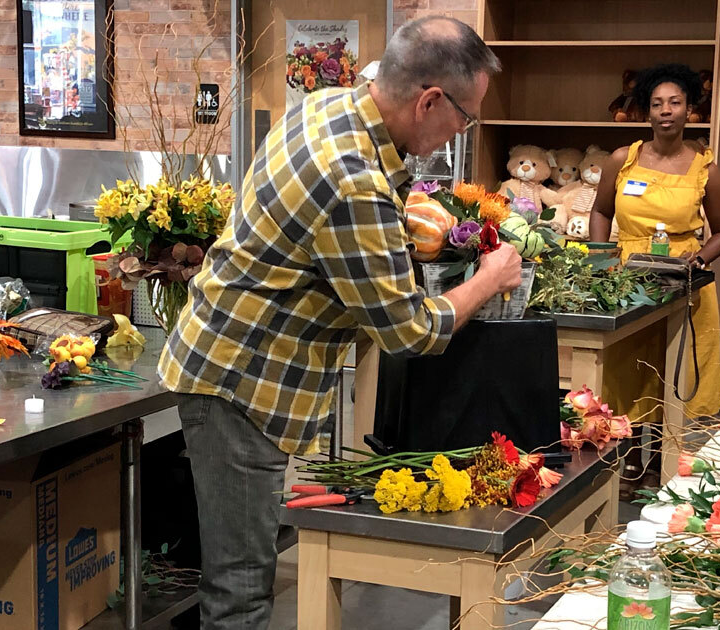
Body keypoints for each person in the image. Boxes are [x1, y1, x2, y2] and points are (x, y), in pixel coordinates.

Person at [157, 16, 522, 630]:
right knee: (240, 592)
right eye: (465, 117)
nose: (462, 130)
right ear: (429, 100)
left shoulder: (330, 106)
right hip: (240, 383)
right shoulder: (353, 180)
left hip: (233, 359)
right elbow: (409, 332)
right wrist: (488, 279)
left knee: (244, 577)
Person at [588, 63, 720, 439]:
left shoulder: (707, 169)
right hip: (625, 278)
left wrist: (699, 259)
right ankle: (626, 455)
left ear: (689, 110)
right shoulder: (623, 159)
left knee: (674, 366)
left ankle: (664, 456)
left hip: (681, 280)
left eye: (674, 103)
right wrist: (600, 261)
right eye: (657, 104)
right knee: (628, 366)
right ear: (646, 111)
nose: (666, 111)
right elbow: (601, 211)